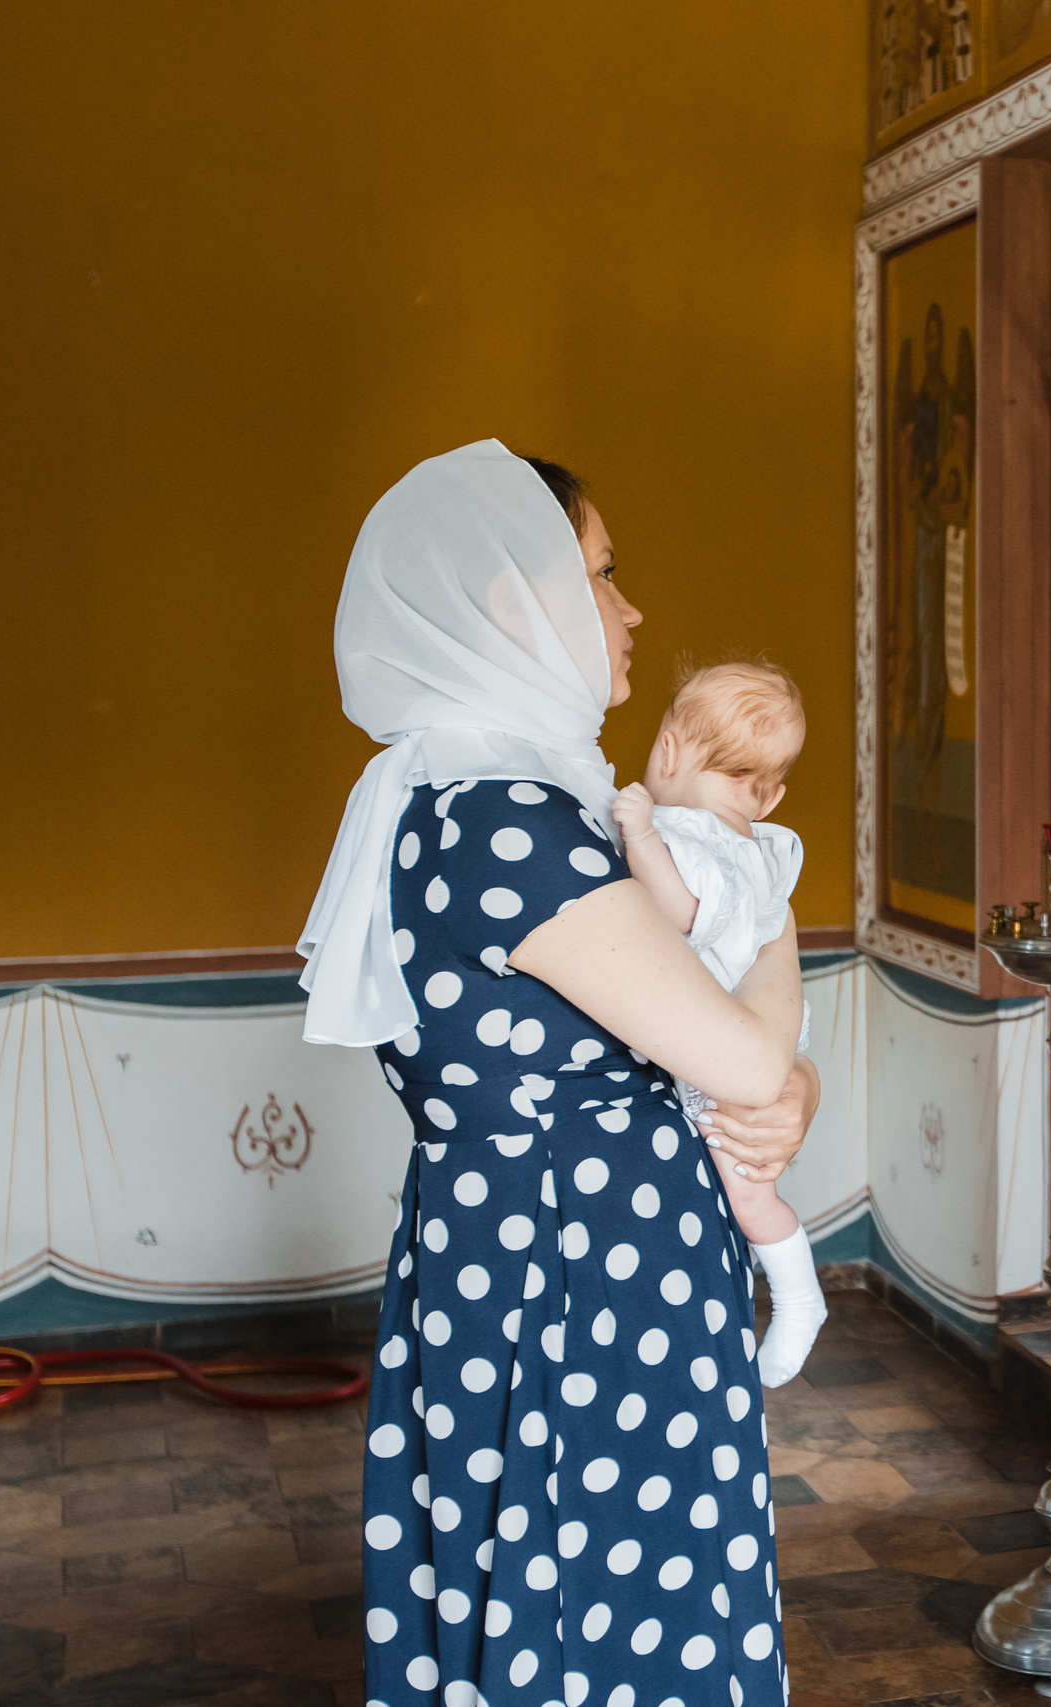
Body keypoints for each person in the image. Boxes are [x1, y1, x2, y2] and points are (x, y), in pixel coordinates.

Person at [298, 442, 819, 1706]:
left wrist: (778, 1076)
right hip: (573, 1273)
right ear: (509, 604)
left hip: (573, 1248)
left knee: (581, 1586)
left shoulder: (522, 793)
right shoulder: (499, 818)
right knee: (603, 1599)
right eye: (599, 572)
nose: (632, 608)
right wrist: (778, 952)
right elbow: (741, 1047)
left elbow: (724, 1034)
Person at [610, 659, 828, 1387]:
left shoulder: (692, 841)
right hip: (754, 1032)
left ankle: (799, 1297)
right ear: (770, 794)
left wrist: (639, 835)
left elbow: (677, 910)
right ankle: (792, 1293)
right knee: (742, 1189)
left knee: (748, 1194)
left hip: (726, 1052)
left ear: (667, 751)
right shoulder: (759, 846)